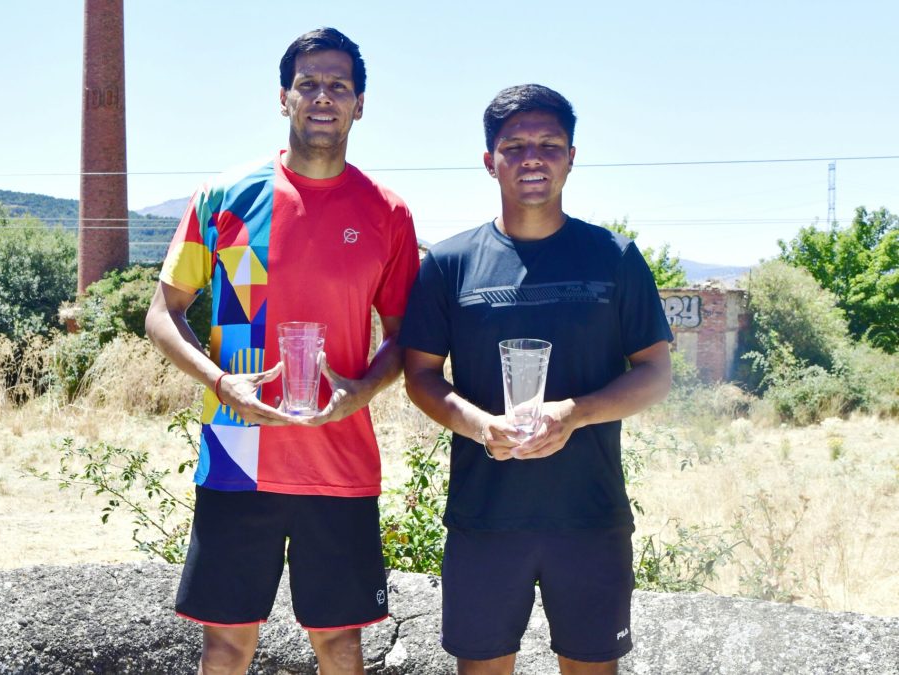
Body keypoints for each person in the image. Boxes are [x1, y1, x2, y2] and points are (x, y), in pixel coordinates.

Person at [144, 27, 419, 675]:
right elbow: (162, 313)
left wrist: (361, 391)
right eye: (309, 84)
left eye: (339, 86)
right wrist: (221, 381)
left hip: (340, 455)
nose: (323, 97)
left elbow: (406, 336)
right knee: (227, 643)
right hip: (237, 453)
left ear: (360, 104)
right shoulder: (224, 196)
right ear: (283, 97)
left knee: (340, 643)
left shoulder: (388, 213)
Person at [398, 84, 673, 675]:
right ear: (489, 160)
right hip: (484, 515)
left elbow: (654, 371)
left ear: (572, 156)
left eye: (549, 144)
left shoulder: (614, 257)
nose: (532, 158)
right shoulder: (449, 263)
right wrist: (478, 426)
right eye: (514, 145)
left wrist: (573, 413)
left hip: (591, 515)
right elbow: (419, 374)